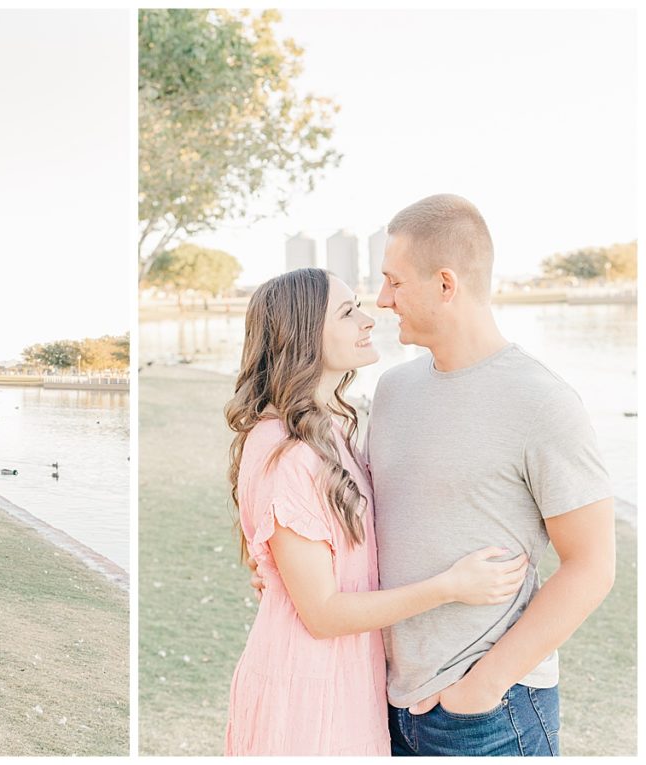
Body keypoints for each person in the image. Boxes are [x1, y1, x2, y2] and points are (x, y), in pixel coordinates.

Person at [250, 194, 615, 756]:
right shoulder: (394, 391)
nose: (381, 300)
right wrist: (277, 566)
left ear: (446, 285)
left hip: (487, 713)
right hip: (383, 701)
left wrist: (484, 686)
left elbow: (592, 566)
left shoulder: (542, 401)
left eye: (394, 282)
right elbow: (352, 517)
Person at [224, 268, 529, 756]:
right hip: (308, 689)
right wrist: (450, 588)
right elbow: (321, 613)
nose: (369, 319)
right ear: (303, 336)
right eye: (347, 312)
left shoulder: (327, 429)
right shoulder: (287, 450)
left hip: (344, 676)